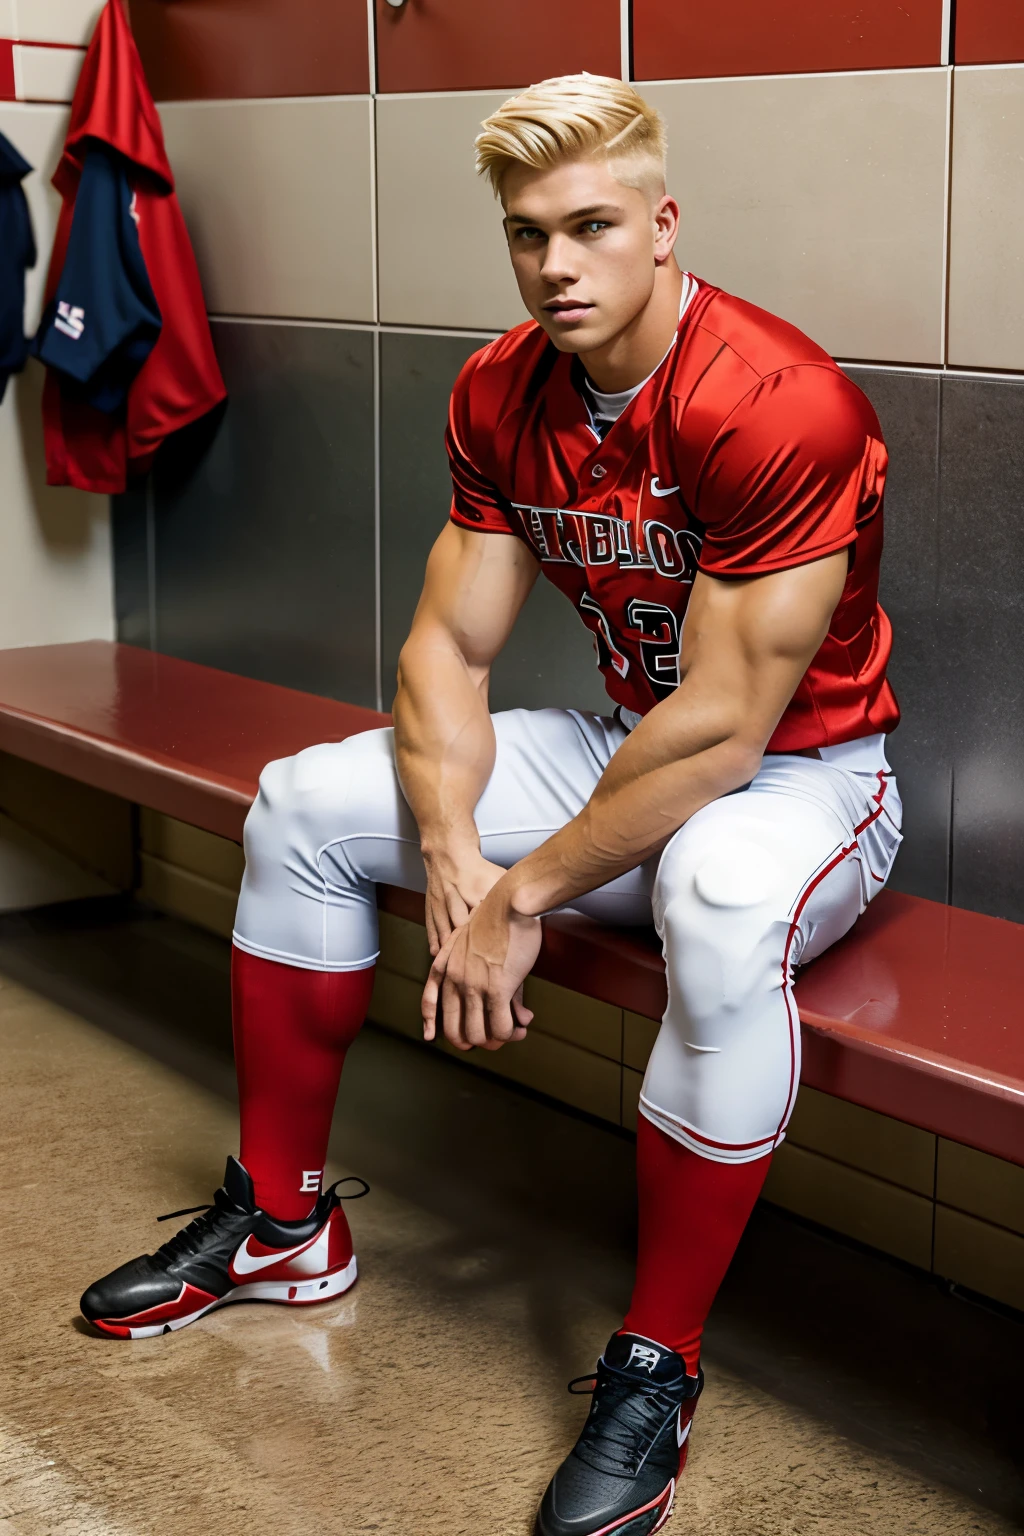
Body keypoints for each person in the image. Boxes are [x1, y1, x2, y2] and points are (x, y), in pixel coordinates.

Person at [81, 74, 902, 1536]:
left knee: (713, 907)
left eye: (591, 227)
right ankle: (283, 1225)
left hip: (804, 776)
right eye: (528, 235)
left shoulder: (779, 402)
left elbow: (725, 730)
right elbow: (446, 650)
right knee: (304, 804)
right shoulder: (499, 386)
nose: (556, 266)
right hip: (622, 743)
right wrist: (455, 856)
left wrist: (516, 899)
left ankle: (659, 1364)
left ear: (664, 225)